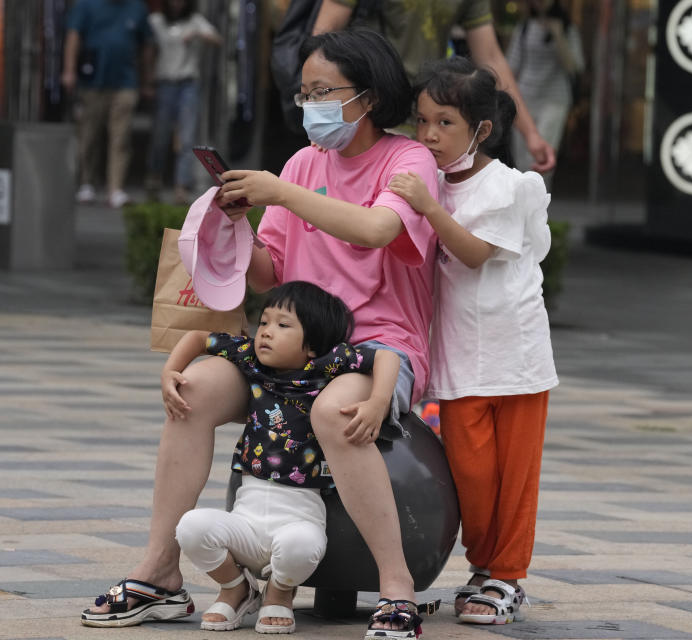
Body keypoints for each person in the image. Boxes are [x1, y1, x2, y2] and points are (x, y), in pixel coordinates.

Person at [82, 28, 440, 639]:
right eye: (305, 93)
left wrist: (283, 193)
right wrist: (236, 225)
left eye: (324, 92)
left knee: (336, 414)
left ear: (371, 97)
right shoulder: (303, 164)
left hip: (376, 345)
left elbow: (378, 230)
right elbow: (269, 273)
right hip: (286, 341)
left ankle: (396, 587)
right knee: (190, 390)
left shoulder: (408, 161)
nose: (311, 106)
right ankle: (161, 574)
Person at [387, 56, 558, 625]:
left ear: (480, 130)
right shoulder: (425, 182)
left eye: (445, 124)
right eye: (422, 122)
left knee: (513, 479)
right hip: (458, 359)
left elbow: (475, 253)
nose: (429, 136)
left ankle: (505, 577)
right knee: (473, 477)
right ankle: (483, 568)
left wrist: (428, 206)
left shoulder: (508, 186)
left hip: (518, 356)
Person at [165, 281, 399, 633]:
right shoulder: (250, 360)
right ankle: (236, 588)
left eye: (283, 325)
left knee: (302, 546)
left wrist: (379, 401)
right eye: (265, 322)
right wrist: (170, 369)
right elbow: (200, 336)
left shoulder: (326, 367)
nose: (266, 333)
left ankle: (280, 592)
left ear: (312, 345)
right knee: (190, 528)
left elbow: (386, 355)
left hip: (298, 520)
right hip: (244, 520)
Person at [311, 0, 558, 173]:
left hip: (428, 114)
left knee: (420, 221)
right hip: (371, 116)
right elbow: (323, 36)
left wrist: (531, 134)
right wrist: (324, 117)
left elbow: (490, 56)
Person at [62, 0, 155, 209]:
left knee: (120, 137)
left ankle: (115, 188)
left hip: (125, 81)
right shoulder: (86, 5)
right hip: (93, 80)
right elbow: (73, 36)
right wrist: (69, 70)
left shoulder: (136, 8)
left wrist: (147, 78)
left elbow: (147, 43)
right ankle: (87, 182)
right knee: (88, 134)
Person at [145, 0, 221, 205]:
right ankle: (155, 177)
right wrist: (148, 81)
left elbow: (216, 39)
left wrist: (198, 34)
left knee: (187, 137)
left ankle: (181, 185)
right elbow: (148, 50)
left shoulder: (194, 21)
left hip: (188, 84)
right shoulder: (156, 21)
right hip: (165, 83)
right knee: (160, 134)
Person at [506, 0, 583, 186]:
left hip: (554, 100)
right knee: (522, 158)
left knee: (543, 156)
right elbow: (510, 67)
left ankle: (539, 205)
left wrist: (558, 35)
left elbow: (574, 67)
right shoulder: (524, 28)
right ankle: (523, 206)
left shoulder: (567, 29)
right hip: (524, 99)